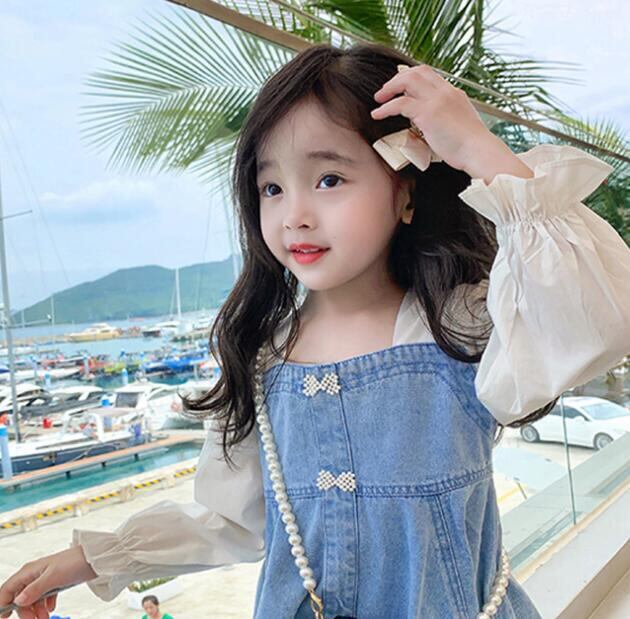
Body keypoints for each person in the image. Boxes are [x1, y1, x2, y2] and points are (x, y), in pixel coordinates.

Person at [1, 42, 629, 619]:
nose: (294, 214)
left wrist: (476, 148)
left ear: (405, 194)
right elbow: (234, 520)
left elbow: (598, 317)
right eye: (271, 187)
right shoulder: (262, 354)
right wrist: (93, 558)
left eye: (329, 179)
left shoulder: (460, 324)